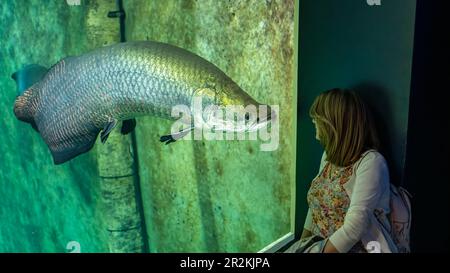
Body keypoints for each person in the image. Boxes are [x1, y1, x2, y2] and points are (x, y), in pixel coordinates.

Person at [301, 88, 396, 253]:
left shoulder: (371, 163)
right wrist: (302, 243)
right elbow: (316, 206)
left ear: (336, 123)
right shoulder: (328, 156)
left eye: (317, 118)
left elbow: (355, 226)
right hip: (320, 246)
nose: (313, 121)